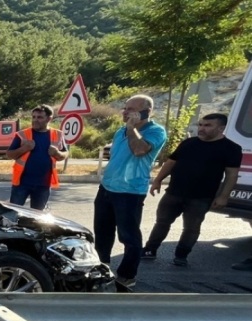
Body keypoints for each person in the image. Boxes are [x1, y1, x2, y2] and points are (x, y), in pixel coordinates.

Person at [141, 113, 241, 266]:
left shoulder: (231, 148)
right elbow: (170, 162)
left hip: (201, 197)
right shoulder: (189, 143)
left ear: (221, 128)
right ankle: (150, 249)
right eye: (200, 125)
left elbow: (231, 175)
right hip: (174, 192)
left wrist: (223, 197)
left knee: (191, 228)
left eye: (208, 126)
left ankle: (181, 255)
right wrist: (158, 180)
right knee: (161, 222)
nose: (202, 129)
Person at [93, 95, 167, 290]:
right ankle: (101, 267)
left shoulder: (156, 131)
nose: (125, 112)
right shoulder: (121, 130)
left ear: (145, 112)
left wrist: (132, 128)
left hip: (130, 192)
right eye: (125, 108)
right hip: (107, 188)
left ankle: (127, 275)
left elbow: (139, 150)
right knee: (102, 233)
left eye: (130, 109)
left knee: (129, 236)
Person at [5, 104, 68, 210]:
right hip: (22, 183)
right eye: (33, 117)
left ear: (49, 118)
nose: (35, 120)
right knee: (13, 213)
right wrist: (24, 148)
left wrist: (57, 153)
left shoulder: (57, 135)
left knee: (37, 218)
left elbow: (65, 154)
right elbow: (9, 154)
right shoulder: (22, 134)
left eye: (40, 117)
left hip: (43, 185)